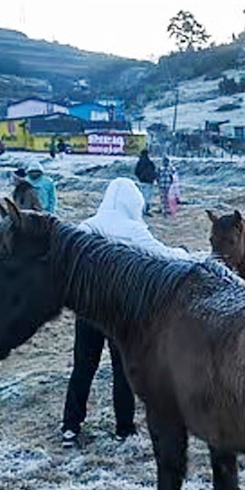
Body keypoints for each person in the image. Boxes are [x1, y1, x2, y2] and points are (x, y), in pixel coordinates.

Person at [60, 178, 193, 448]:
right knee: (122, 370)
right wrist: (190, 255)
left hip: (88, 312)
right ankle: (124, 428)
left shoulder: (86, 227)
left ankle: (71, 426)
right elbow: (164, 256)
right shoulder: (133, 230)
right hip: (120, 313)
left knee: (83, 368)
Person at [134, 149, 157, 215]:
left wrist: (140, 178)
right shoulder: (150, 162)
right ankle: (146, 209)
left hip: (142, 181)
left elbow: (136, 172)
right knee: (148, 196)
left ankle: (142, 209)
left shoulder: (140, 163)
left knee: (142, 195)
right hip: (149, 182)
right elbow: (153, 171)